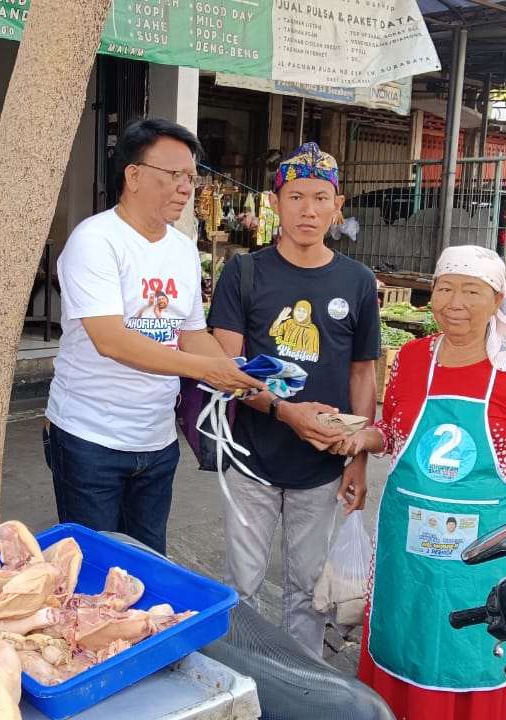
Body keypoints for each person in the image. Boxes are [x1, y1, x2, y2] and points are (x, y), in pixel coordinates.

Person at [332, 245, 506, 719]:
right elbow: (393, 436)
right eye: (445, 288)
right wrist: (355, 439)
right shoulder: (411, 359)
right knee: (404, 638)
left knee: (476, 651)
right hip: (408, 551)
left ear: (498, 300)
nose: (454, 303)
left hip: (485, 556)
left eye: (471, 291)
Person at [43, 117, 263, 555]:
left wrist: (238, 371)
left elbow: (191, 332)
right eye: (176, 175)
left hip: (157, 442)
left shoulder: (182, 249)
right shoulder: (96, 240)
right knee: (94, 572)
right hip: (90, 440)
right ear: (134, 175)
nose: (187, 187)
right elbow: (112, 340)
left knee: (148, 569)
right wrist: (207, 370)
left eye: (192, 177)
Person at [207, 141, 380, 656]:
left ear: (337, 205)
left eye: (321, 198)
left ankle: (302, 689)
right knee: (242, 588)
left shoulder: (358, 281)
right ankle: (244, 677)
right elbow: (228, 367)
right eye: (297, 196)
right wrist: (287, 412)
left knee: (307, 592)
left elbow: (363, 374)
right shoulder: (244, 273)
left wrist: (358, 456)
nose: (308, 210)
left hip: (323, 463)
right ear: (275, 202)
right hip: (250, 459)